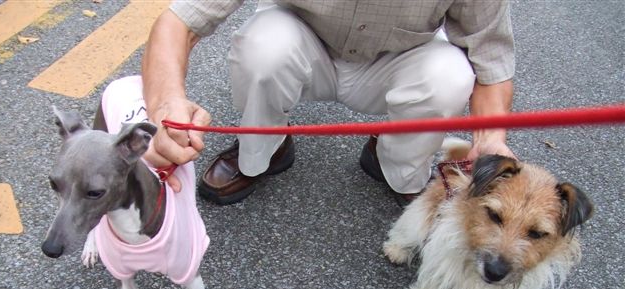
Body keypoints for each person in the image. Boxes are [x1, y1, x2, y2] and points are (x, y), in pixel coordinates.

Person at [142, 0, 516, 206]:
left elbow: (490, 58)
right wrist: (165, 105)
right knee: (261, 49)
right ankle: (266, 147)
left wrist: (491, 139)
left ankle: (396, 160)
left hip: (399, 61)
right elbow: (180, 22)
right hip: (300, 44)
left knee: (452, 75)